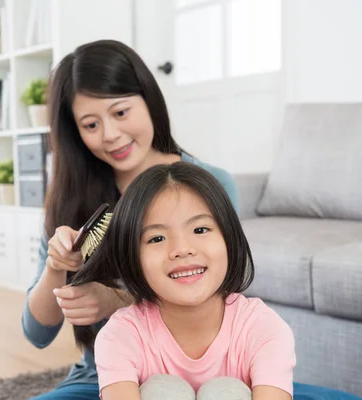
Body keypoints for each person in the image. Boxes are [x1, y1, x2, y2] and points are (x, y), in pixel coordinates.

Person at [21, 39, 238, 400]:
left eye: (121, 113)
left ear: (148, 101)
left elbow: (222, 295)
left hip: (203, 371)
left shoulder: (210, 184)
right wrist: (55, 266)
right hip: (104, 374)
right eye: (91, 124)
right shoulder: (70, 199)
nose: (110, 135)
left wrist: (117, 301)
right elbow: (37, 333)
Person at [72, 162, 294, 399]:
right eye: (157, 238)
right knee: (164, 391)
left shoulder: (263, 328)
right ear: (132, 257)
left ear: (230, 239)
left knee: (225, 393)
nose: (182, 249)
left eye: (200, 230)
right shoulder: (120, 336)